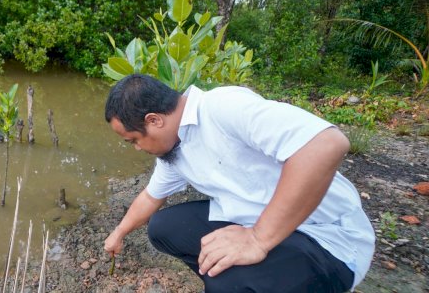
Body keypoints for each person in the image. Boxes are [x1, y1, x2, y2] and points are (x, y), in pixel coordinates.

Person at [103, 74, 375, 293]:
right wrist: (118, 233)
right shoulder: (174, 148)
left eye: (134, 140)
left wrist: (257, 239)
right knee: (165, 227)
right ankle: (245, 276)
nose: (137, 148)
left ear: (154, 120)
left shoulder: (222, 107)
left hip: (328, 240)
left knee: (228, 283)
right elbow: (151, 197)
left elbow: (326, 144)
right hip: (258, 222)